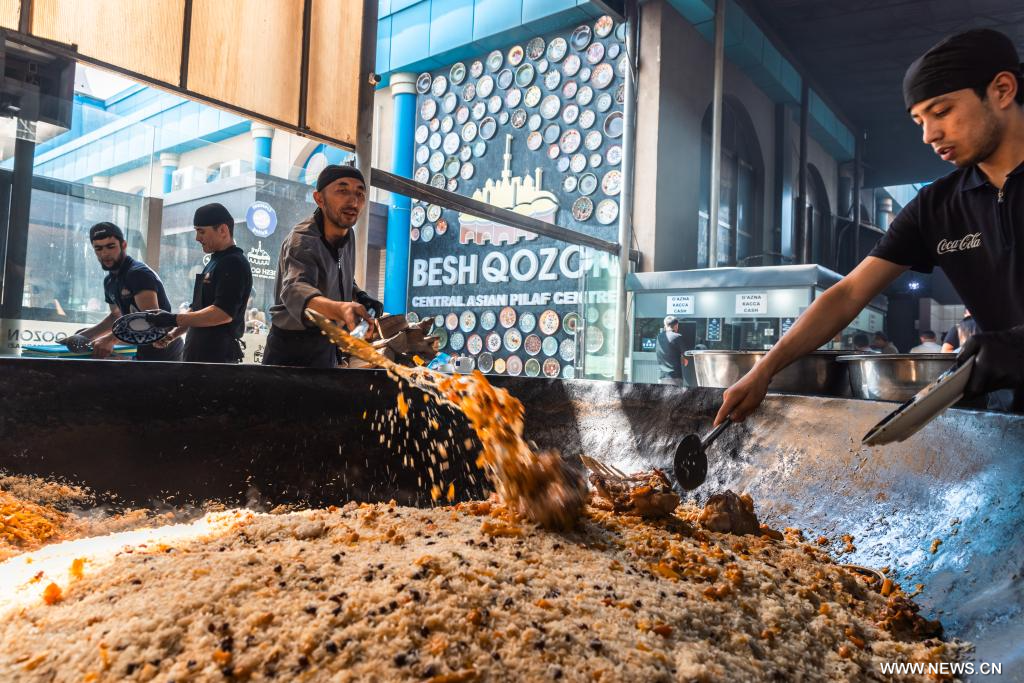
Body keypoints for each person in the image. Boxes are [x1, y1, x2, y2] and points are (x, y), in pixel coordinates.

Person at [717, 28, 1024, 424]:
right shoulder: (937, 206)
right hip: (1009, 419)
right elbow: (847, 294)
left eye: (942, 111)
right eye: (919, 121)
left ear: (1002, 90)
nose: (929, 135)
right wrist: (764, 370)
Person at [261, 165, 382, 368]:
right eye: (342, 190)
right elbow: (295, 290)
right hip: (291, 347)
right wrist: (341, 309)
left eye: (360, 193)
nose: (353, 201)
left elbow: (338, 274)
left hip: (326, 343)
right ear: (319, 199)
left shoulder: (348, 234)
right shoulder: (303, 240)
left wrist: (359, 295)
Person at [146, 203, 253, 363]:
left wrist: (174, 319)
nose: (197, 238)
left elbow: (222, 313)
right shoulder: (214, 261)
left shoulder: (233, 263)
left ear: (223, 230)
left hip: (217, 358)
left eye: (201, 231)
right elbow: (197, 308)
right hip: (197, 354)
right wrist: (172, 335)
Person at [62, 222, 183, 361]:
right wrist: (85, 336)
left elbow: (151, 322)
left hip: (165, 351)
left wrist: (110, 339)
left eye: (110, 246)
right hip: (141, 350)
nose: (105, 253)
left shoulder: (138, 274)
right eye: (98, 248)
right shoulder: (109, 281)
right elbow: (115, 316)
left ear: (123, 245)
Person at [655, 316, 688, 386]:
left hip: (662, 377)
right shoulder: (677, 337)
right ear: (676, 326)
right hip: (675, 378)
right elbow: (686, 360)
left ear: (665, 325)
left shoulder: (658, 337)